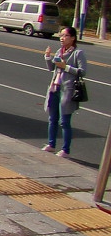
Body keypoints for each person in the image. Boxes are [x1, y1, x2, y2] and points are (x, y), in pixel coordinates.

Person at [42, 26, 86, 158]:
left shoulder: (78, 53)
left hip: (67, 89)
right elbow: (52, 69)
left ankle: (65, 150)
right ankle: (51, 144)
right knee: (52, 118)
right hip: (55, 87)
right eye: (61, 35)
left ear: (72, 38)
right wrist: (48, 57)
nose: (62, 38)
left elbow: (82, 71)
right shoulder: (59, 51)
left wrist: (65, 67)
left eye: (65, 35)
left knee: (64, 121)